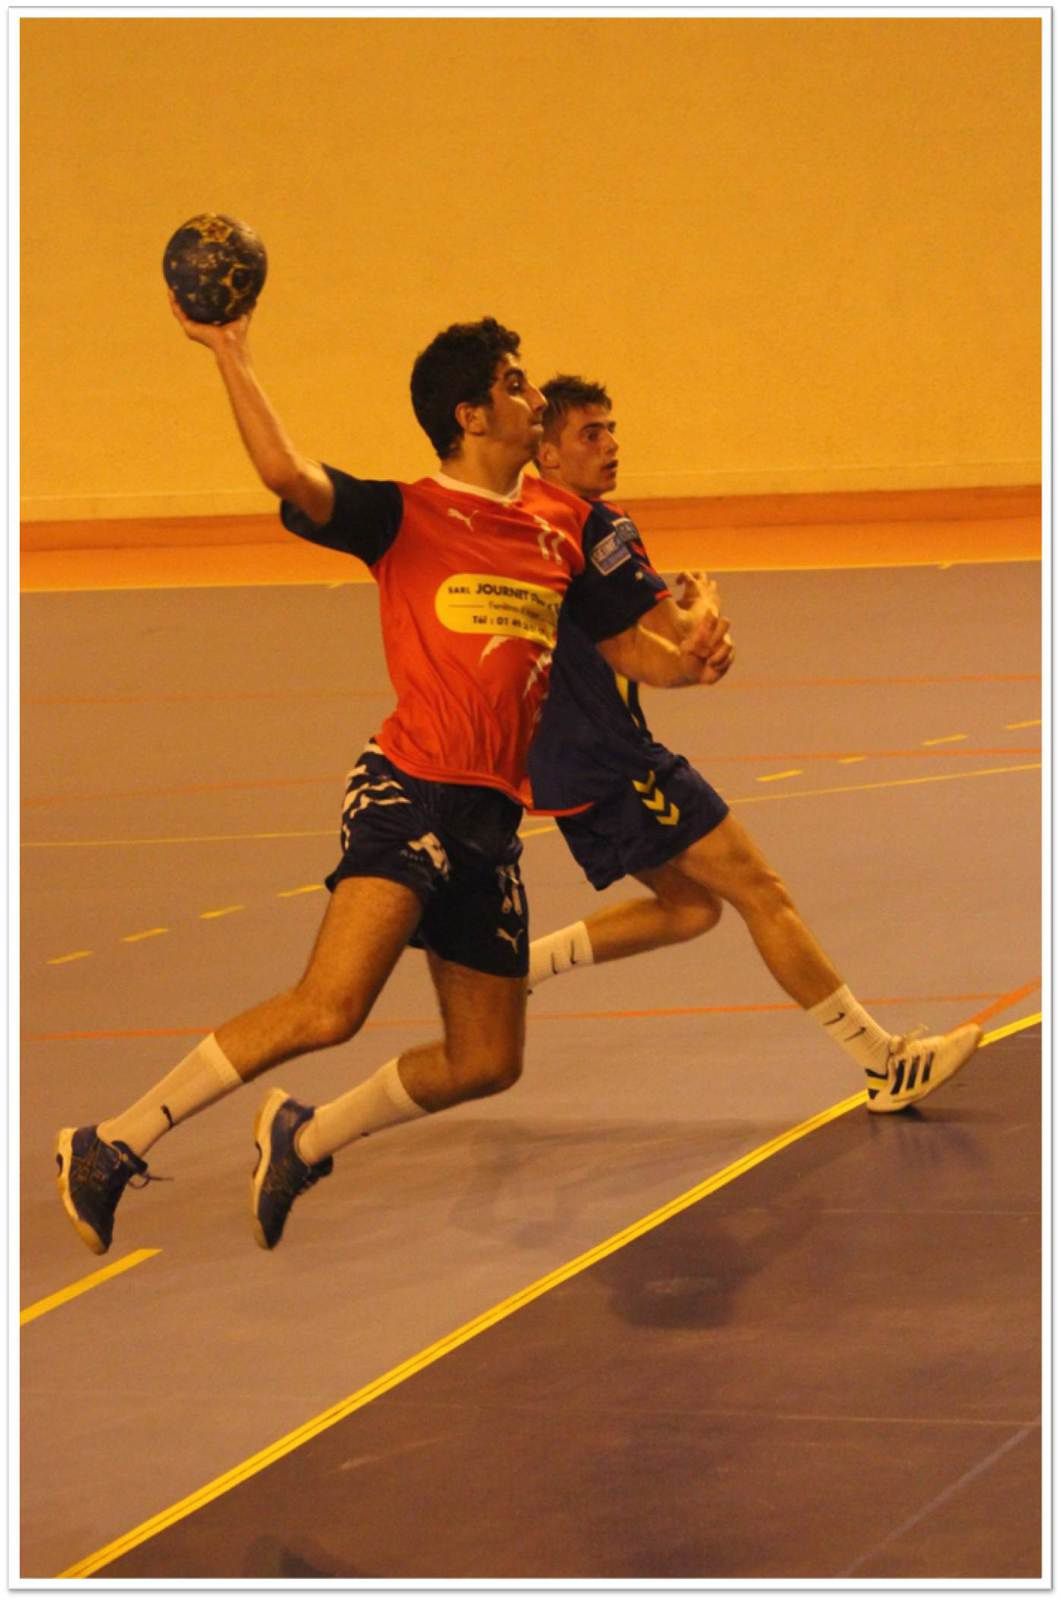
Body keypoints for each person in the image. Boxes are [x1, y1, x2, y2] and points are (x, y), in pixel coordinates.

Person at [55, 313, 734, 1257]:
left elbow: (631, 651)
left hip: (489, 820)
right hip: (409, 787)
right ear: (470, 415)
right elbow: (286, 474)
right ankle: (111, 1143)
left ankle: (305, 1137)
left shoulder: (564, 528)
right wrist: (229, 351)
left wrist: (691, 661)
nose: (536, 397)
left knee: (486, 1060)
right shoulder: (403, 515)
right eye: (515, 383)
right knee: (331, 1006)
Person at [524, 374, 981, 1110]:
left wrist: (688, 634)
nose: (610, 445)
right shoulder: (593, 528)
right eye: (590, 433)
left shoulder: (533, 521)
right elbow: (671, 639)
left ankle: (513, 968)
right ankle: (883, 1062)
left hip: (559, 765)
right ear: (545, 453)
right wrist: (703, 618)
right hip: (612, 760)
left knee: (689, 909)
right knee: (760, 892)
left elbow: (636, 635)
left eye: (611, 429)